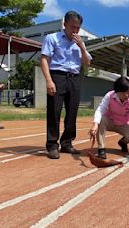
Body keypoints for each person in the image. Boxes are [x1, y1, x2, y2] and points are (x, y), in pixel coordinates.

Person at [40, 11, 92, 159]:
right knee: (54, 111)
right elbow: (44, 59)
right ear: (64, 25)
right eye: (72, 27)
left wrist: (81, 46)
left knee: (72, 112)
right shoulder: (52, 38)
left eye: (78, 27)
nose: (75, 30)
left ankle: (67, 143)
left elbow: (87, 63)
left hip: (74, 78)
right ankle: (52, 145)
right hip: (57, 76)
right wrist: (49, 80)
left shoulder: (80, 42)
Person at [88, 77, 129, 159]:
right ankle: (101, 150)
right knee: (100, 120)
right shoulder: (109, 95)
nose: (126, 95)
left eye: (128, 92)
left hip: (123, 124)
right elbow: (100, 109)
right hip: (110, 121)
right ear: (116, 92)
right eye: (123, 93)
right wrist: (95, 124)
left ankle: (123, 142)